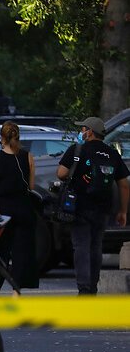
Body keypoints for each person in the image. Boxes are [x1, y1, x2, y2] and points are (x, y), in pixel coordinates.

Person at [57, 116, 130, 295]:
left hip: (80, 207)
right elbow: (124, 184)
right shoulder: (112, 153)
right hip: (103, 208)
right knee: (96, 247)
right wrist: (123, 211)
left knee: (81, 246)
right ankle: (93, 286)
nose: (81, 132)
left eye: (83, 129)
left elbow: (61, 173)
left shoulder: (77, 149)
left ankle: (84, 288)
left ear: (89, 132)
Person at [0, 121, 39, 296]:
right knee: (21, 251)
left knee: (0, 250)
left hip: (3, 210)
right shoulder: (28, 156)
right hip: (24, 208)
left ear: (2, 138)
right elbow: (31, 186)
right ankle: (17, 291)